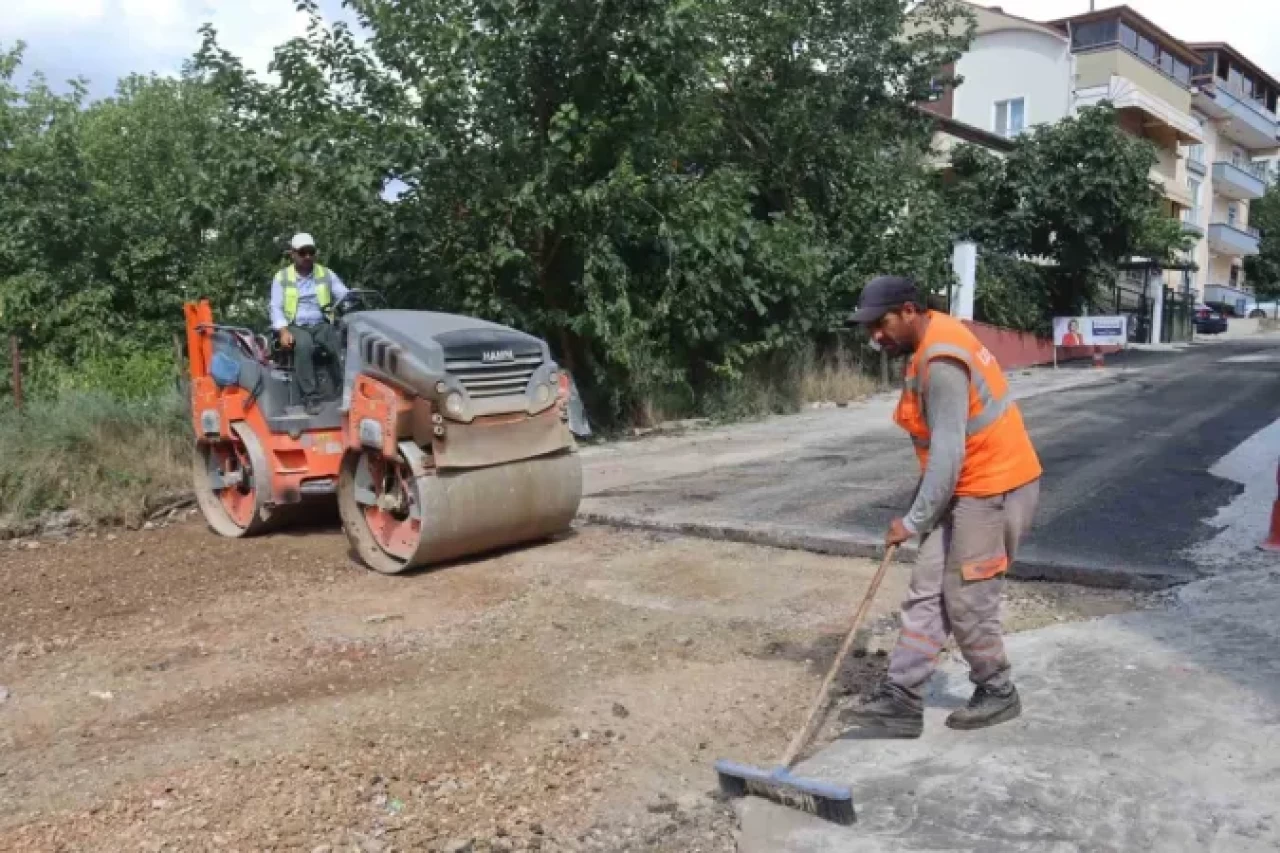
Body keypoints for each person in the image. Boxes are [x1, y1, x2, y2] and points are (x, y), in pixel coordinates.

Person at [842, 275, 1042, 736]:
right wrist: (917, 512)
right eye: (869, 326)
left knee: (968, 596)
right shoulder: (926, 345)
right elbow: (942, 457)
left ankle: (997, 689)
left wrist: (912, 521)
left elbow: (949, 456)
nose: (875, 335)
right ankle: (902, 699)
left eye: (881, 323)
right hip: (965, 487)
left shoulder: (941, 360)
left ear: (909, 311)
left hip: (995, 488)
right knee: (926, 589)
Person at [269, 233, 349, 414]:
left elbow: (344, 295)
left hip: (320, 323)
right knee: (304, 345)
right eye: (302, 252)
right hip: (295, 325)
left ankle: (345, 388)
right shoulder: (281, 278)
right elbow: (275, 307)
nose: (307, 257)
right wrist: (283, 331)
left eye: (311, 252)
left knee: (336, 340)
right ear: (293, 254)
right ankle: (311, 397)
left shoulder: (325, 273)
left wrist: (351, 301)